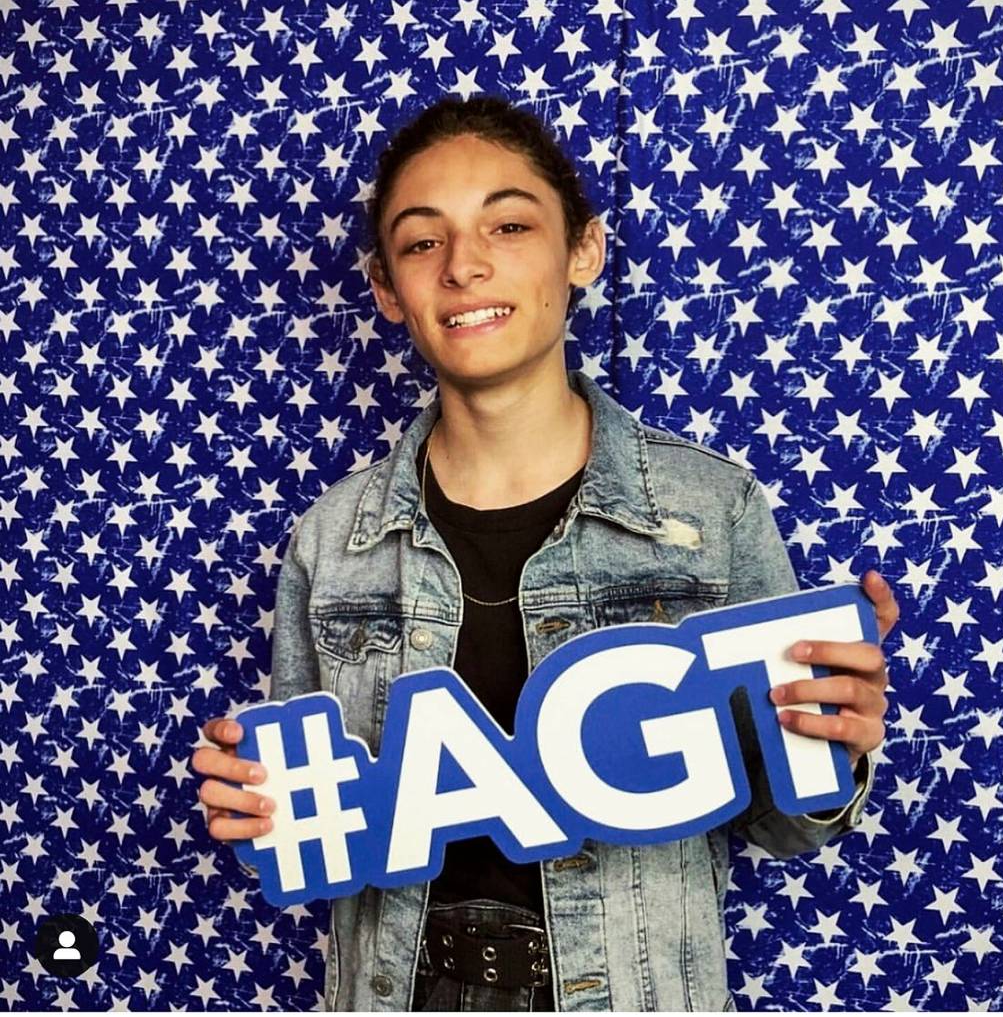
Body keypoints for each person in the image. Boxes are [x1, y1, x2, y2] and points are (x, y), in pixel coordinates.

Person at [191, 96, 898, 1012]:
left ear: (584, 252)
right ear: (384, 289)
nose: (464, 265)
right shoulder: (333, 539)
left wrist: (831, 742)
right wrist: (257, 806)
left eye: (510, 224)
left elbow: (784, 825)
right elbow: (310, 828)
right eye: (421, 242)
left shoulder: (711, 512)